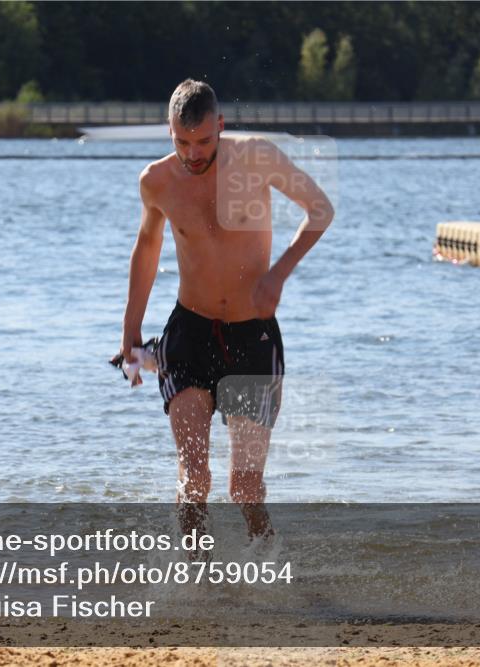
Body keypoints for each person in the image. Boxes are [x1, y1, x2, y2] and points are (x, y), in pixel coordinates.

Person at [119, 79, 334, 546]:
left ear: (221, 125)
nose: (193, 154)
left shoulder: (255, 157)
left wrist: (278, 274)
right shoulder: (156, 181)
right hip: (189, 334)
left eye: (203, 141)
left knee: (245, 487)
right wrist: (130, 331)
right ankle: (199, 587)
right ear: (169, 131)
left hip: (252, 337)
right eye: (182, 142)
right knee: (195, 477)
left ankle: (270, 574)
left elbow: (320, 209)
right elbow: (147, 248)